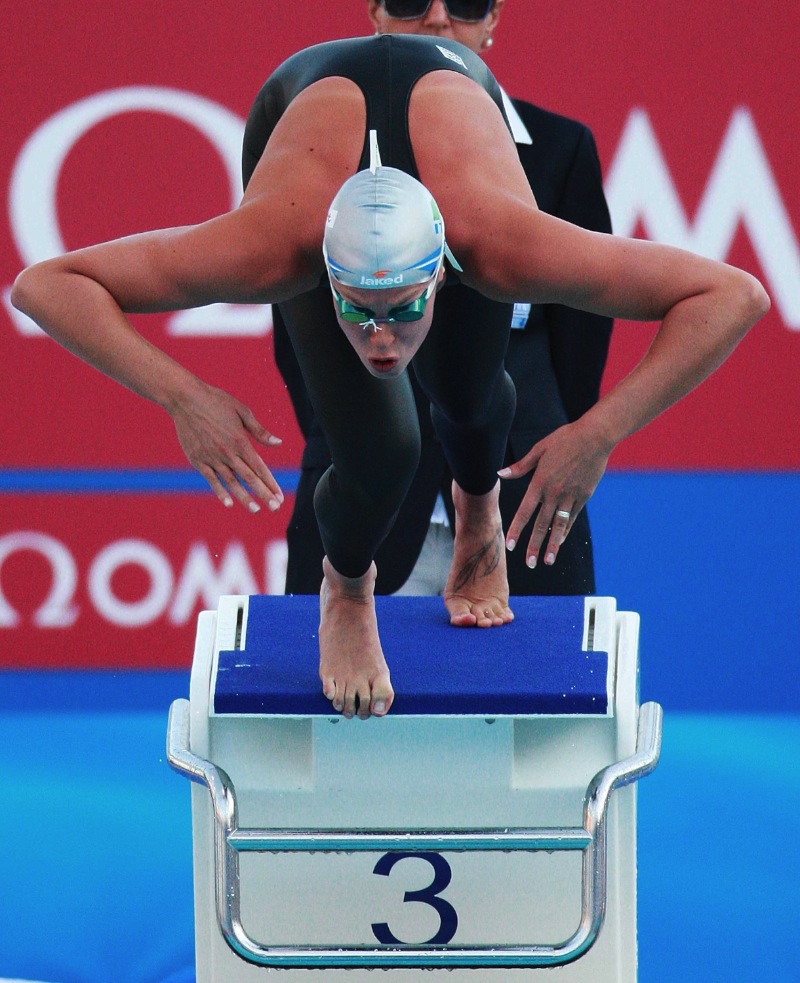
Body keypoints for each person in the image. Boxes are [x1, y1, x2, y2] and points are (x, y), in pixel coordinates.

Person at [11, 35, 769, 723]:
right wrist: (181, 393)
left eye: (404, 308)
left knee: (471, 392)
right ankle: (346, 589)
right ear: (326, 275)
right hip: (302, 113)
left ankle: (478, 509)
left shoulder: (502, 242)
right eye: (357, 309)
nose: (380, 339)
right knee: (381, 449)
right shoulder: (279, 243)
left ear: (442, 272)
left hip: (457, 133)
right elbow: (48, 282)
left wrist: (599, 431)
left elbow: (732, 295)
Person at [269, 0, 613, 598]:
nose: (436, 21)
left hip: (521, 499)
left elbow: (582, 341)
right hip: (361, 495)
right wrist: (351, 434)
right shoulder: (318, 151)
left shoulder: (560, 148)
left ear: (492, 22)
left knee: (535, 693)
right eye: (408, 1)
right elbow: (299, 328)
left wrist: (563, 436)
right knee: (329, 691)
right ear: (372, 15)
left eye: (463, 4)